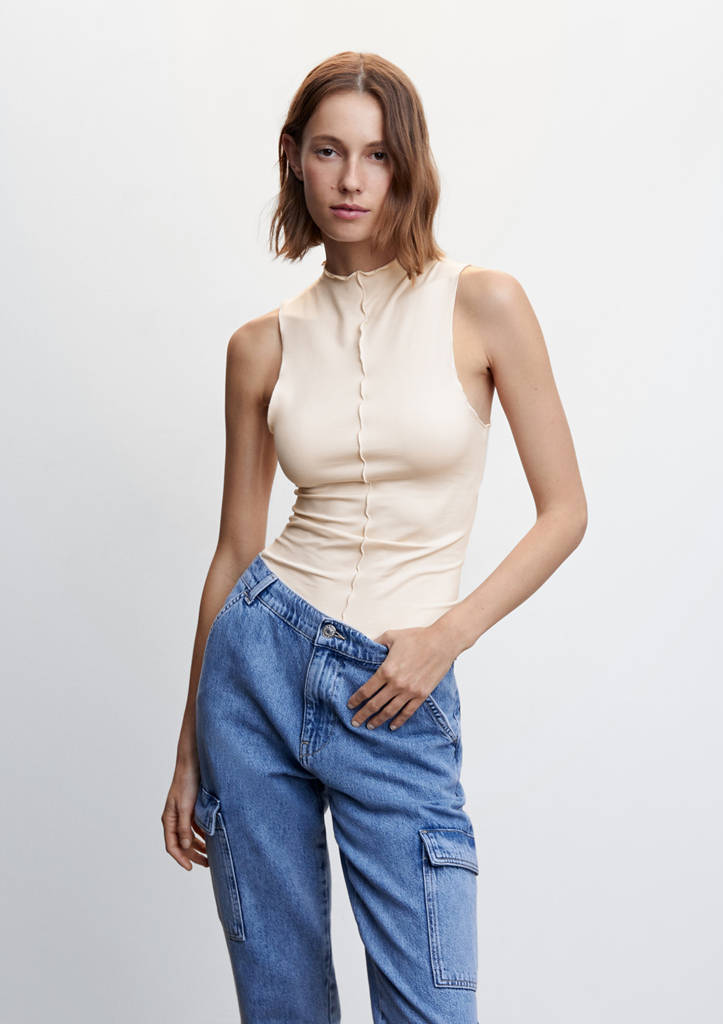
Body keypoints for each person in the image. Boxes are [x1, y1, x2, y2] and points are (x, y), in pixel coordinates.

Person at [162, 51, 587, 1024]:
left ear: (408, 164)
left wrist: (445, 638)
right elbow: (234, 552)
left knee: (430, 1008)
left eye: (376, 154)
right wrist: (188, 752)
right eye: (328, 151)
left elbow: (565, 509)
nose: (351, 179)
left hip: (396, 684)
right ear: (293, 159)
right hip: (256, 669)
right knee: (282, 1007)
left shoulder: (482, 303)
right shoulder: (260, 346)